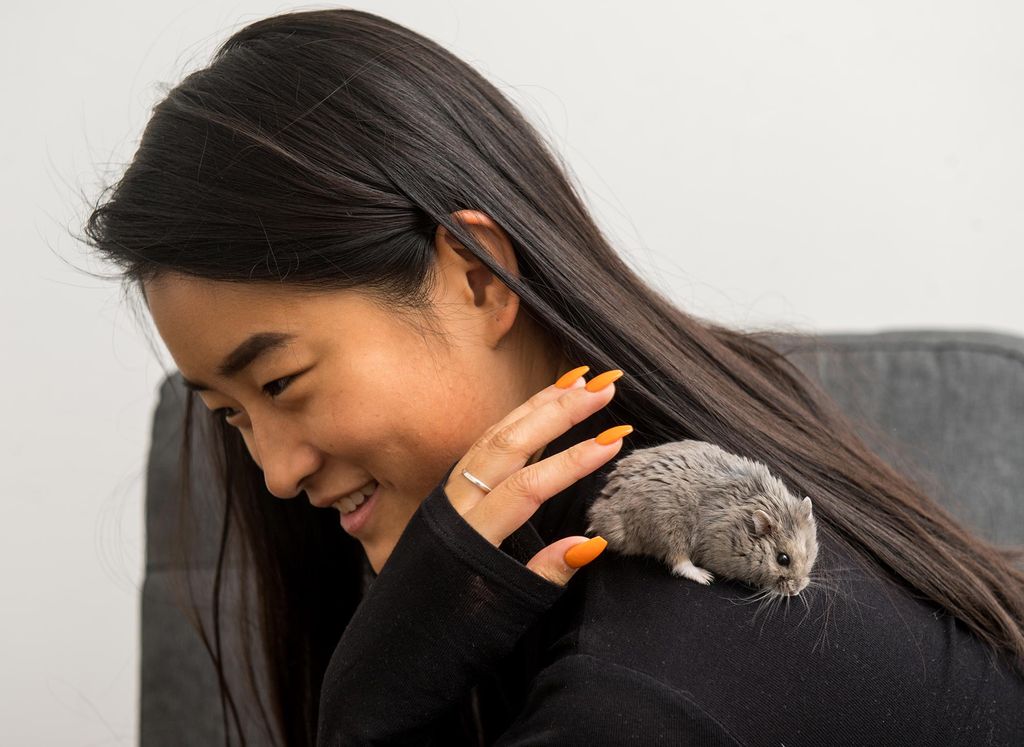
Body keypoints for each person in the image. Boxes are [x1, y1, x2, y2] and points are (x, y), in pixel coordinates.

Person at [80, 8, 1024, 746]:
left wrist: (364, 723)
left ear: (479, 277)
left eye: (281, 383)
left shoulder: (644, 693)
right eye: (232, 417)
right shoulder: (719, 430)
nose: (276, 472)